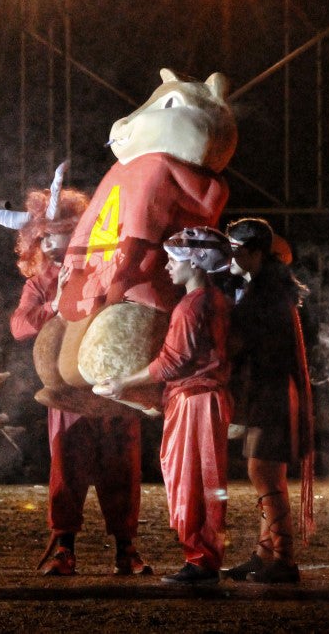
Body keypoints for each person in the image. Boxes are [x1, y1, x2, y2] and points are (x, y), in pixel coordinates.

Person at [4, 178, 152, 577]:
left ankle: (126, 549)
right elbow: (19, 326)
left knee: (122, 467)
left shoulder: (105, 266)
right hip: (68, 393)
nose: (54, 243)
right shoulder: (39, 283)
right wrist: (54, 304)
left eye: (64, 233)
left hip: (112, 388)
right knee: (67, 466)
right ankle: (63, 548)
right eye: (46, 236)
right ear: (35, 240)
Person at [96, 226, 233, 584]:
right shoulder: (214, 300)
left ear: (196, 262)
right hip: (203, 399)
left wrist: (124, 382)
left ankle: (200, 559)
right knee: (202, 481)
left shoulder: (192, 305)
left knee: (191, 482)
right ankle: (202, 556)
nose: (168, 266)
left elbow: (173, 362)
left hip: (195, 402)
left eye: (174, 260)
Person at [220, 217, 315, 584]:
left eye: (236, 250)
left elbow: (246, 344)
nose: (230, 257)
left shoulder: (266, 294)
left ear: (255, 252)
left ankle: (284, 558)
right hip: (270, 391)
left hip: (273, 394)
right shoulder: (265, 287)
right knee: (264, 473)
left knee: (263, 471)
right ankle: (266, 554)